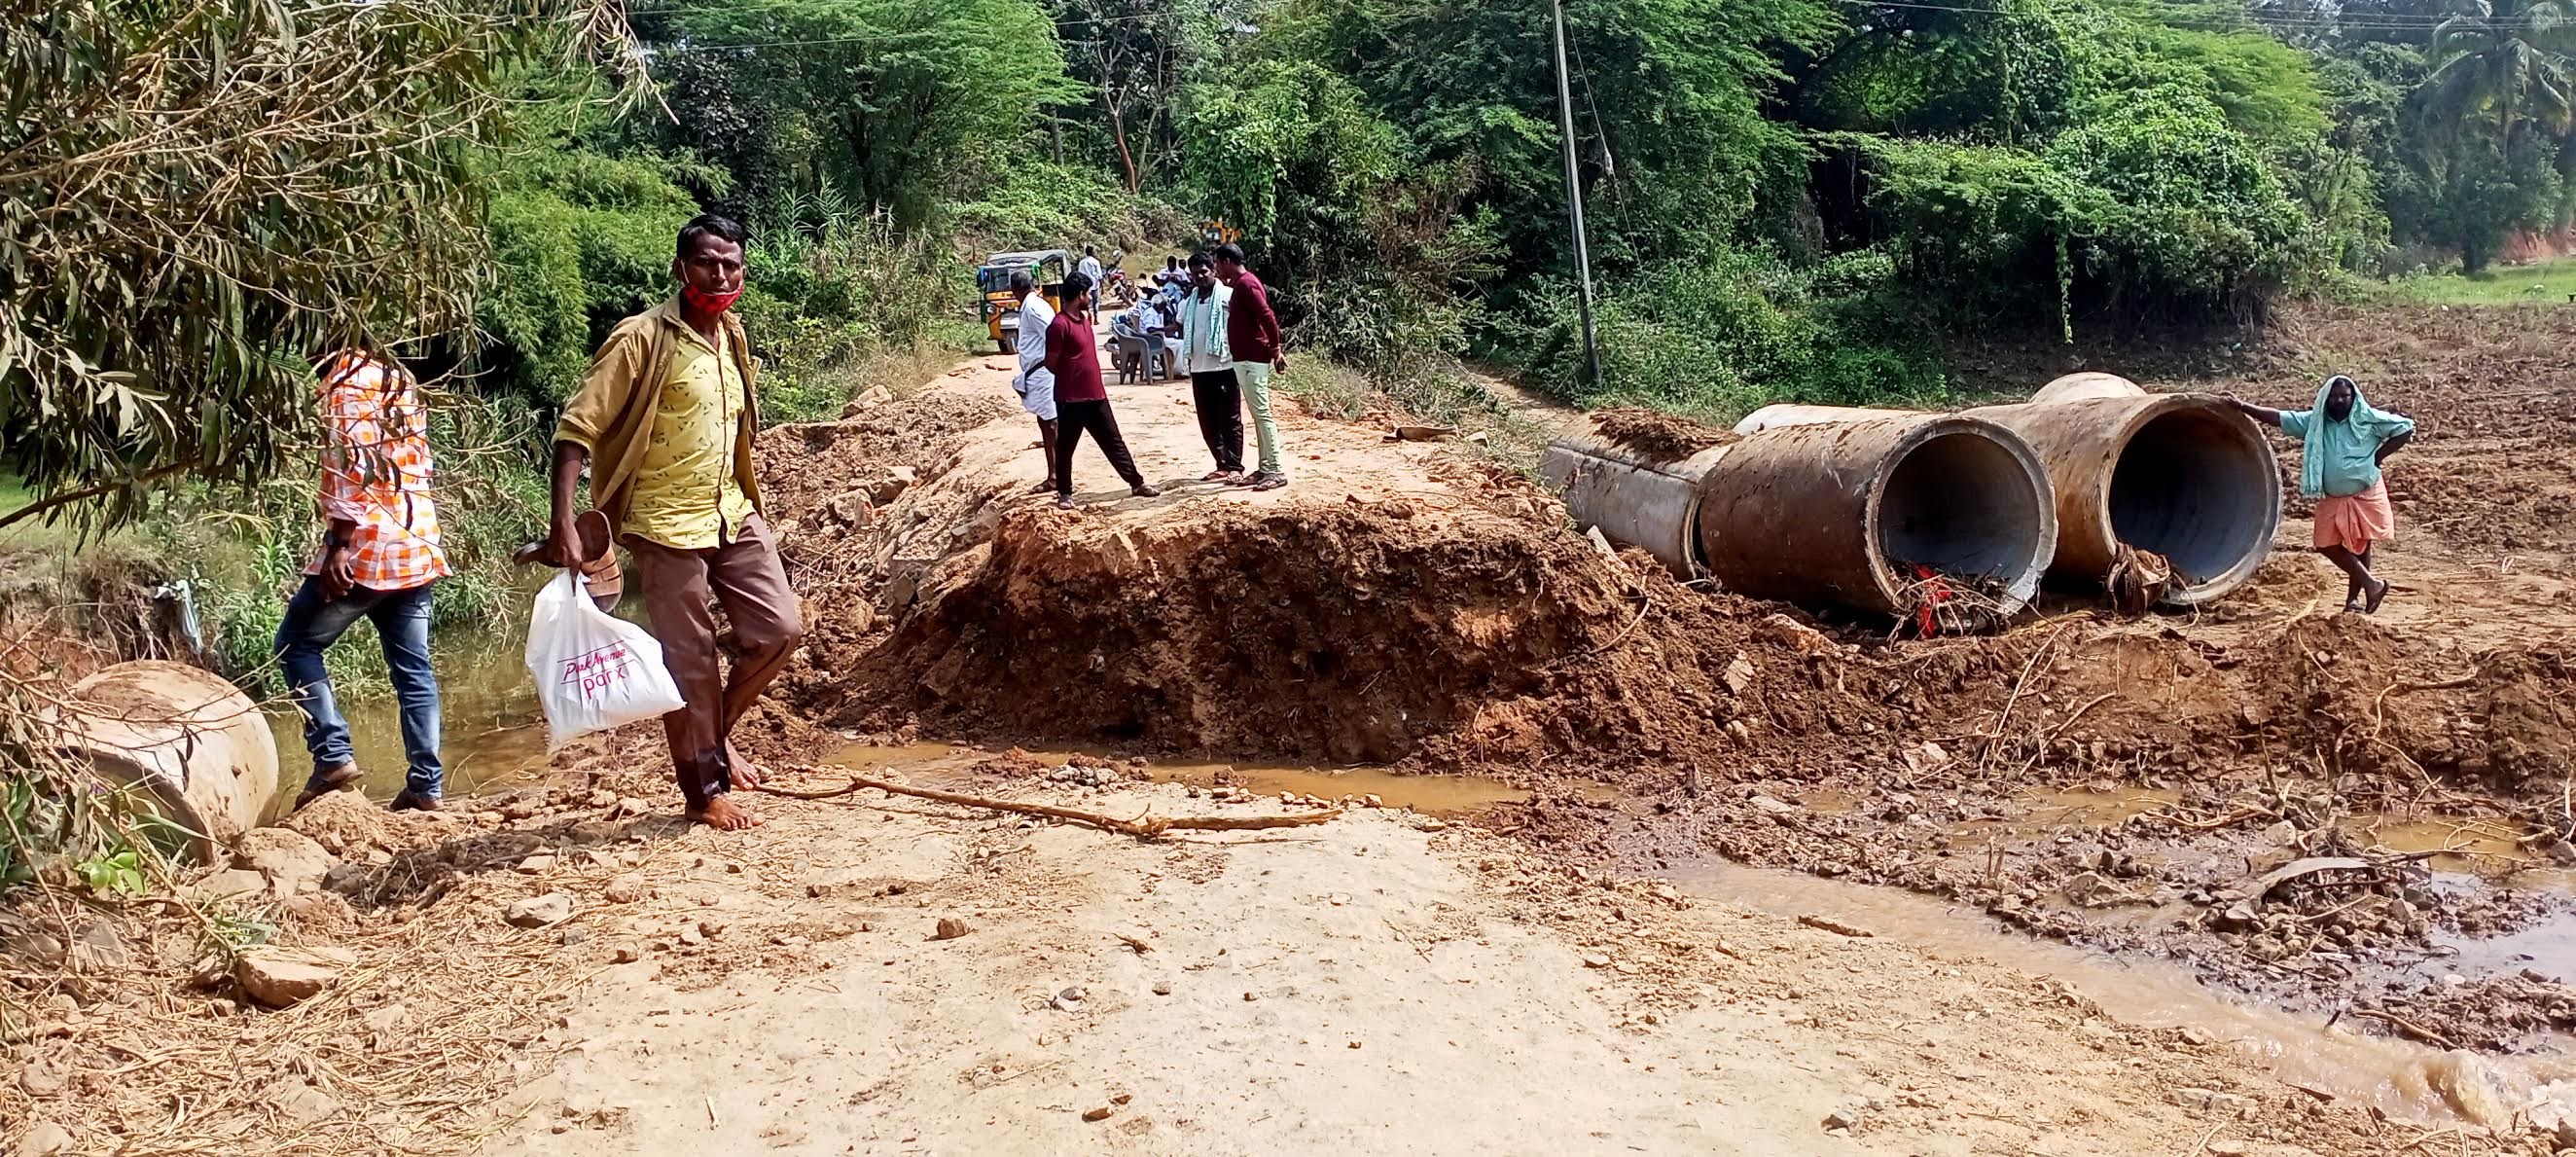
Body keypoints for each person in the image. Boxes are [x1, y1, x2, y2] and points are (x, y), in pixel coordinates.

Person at [548, 213, 804, 831]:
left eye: (731, 264)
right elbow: (576, 429)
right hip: (661, 523)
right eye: (707, 263)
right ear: (681, 269)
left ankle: (713, 736)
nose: (720, 275)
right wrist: (563, 522)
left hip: (731, 510)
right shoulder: (640, 339)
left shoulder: (733, 335)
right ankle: (703, 789)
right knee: (688, 661)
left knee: (779, 630)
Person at [281, 347, 450, 813]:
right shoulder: (398, 379)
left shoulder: (348, 383)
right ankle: (426, 785)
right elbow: (419, 463)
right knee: (414, 671)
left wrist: (338, 544)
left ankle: (332, 755)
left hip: (370, 550)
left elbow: (351, 467)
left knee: (295, 644)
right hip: (415, 545)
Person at [2230, 375, 2415, 614]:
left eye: (2344, 396)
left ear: (2353, 398)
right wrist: (2243, 407)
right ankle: (2372, 584)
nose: (2339, 401)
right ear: (2326, 399)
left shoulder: (2368, 420)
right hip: (2332, 495)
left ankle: (2353, 601)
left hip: (2365, 491)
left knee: (2361, 545)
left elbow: (2405, 427)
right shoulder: (2315, 422)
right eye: (2334, 397)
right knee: (2325, 544)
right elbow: (2279, 417)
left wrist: (2378, 457)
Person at [1046, 271, 1162, 510]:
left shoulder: (1084, 319)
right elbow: (1051, 363)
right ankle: (1065, 492)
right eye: (1088, 293)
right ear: (1079, 295)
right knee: (1066, 446)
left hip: (1095, 395)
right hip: (1071, 398)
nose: (1090, 297)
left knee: (1113, 441)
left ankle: (1136, 482)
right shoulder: (1059, 326)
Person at [1211, 243, 1289, 490]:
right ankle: (1265, 466)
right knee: (1258, 414)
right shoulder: (1242, 284)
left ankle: (1275, 469)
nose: (1216, 269)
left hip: (1252, 359)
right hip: (1246, 358)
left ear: (1226, 261)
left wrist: (1276, 349)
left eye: (1216, 263)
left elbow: (1267, 316)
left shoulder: (1246, 284)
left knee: (1262, 414)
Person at [1172, 251, 1241, 481]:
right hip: (1199, 369)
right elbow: (1179, 324)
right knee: (1207, 420)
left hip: (1224, 366)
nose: (1200, 277)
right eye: (1195, 274)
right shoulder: (1188, 302)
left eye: (1204, 272)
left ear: (1213, 271)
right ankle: (1220, 463)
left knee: (1230, 419)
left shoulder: (1228, 296)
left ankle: (1235, 466)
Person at [1008, 271, 1060, 495]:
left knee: (1051, 423)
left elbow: (1053, 334)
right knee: (1045, 421)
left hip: (1043, 371)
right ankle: (1055, 475)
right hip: (1037, 371)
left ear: (1016, 290)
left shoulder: (1033, 308)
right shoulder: (1033, 305)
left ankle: (1057, 477)